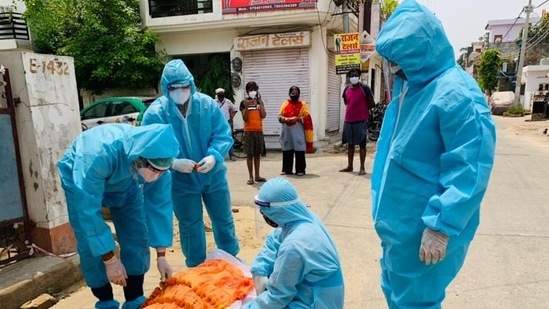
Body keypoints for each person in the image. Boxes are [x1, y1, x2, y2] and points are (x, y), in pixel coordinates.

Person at [372, 1, 496, 308]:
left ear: (420, 49)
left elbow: (470, 167)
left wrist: (441, 225)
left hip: (425, 227)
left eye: (400, 58)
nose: (395, 66)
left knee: (417, 302)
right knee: (398, 293)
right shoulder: (412, 87)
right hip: (399, 227)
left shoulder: (457, 95)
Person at [57, 123, 180, 309]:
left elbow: (159, 206)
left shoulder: (157, 162)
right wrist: (110, 260)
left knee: (136, 233)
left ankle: (134, 297)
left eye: (163, 170)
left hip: (127, 185)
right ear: (139, 159)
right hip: (82, 181)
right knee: (88, 238)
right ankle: (104, 299)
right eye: (155, 169)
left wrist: (161, 256)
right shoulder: (97, 155)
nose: (158, 175)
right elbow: (88, 212)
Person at [142, 59, 240, 268]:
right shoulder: (155, 114)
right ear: (165, 87)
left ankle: (230, 261)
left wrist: (214, 155)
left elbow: (222, 134)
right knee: (189, 225)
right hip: (180, 180)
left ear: (191, 84)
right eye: (174, 88)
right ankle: (196, 266)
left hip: (213, 176)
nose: (180, 91)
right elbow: (149, 148)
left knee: (223, 218)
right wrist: (172, 163)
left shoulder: (207, 105)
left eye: (184, 86)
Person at [244, 177, 344, 308]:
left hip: (317, 301)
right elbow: (274, 240)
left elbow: (277, 297)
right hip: (317, 291)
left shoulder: (294, 247)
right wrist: (260, 268)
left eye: (266, 212)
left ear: (278, 212)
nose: (264, 216)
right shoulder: (301, 218)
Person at [340, 67, 375, 176]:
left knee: (362, 144)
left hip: (361, 120)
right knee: (350, 144)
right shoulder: (346, 89)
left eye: (355, 75)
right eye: (351, 76)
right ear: (349, 77)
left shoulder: (365, 88)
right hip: (348, 120)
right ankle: (350, 166)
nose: (353, 77)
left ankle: (362, 167)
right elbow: (346, 102)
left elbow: (372, 103)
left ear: (359, 77)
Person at [278, 86, 314, 176]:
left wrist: (297, 119)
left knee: (299, 149)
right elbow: (279, 116)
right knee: (287, 148)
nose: (294, 95)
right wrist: (284, 119)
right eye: (292, 93)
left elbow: (307, 117)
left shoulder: (303, 104)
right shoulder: (285, 103)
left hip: (297, 130)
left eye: (296, 93)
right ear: (289, 94)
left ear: (299, 94)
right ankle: (286, 169)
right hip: (287, 130)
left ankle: (300, 169)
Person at [239, 81, 267, 185]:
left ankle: (257, 175)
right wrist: (246, 107)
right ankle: (250, 177)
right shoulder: (243, 103)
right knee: (249, 155)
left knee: (257, 154)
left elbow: (263, 115)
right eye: (251, 89)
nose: (253, 91)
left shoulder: (259, 102)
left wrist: (260, 102)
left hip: (258, 131)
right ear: (247, 91)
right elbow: (245, 118)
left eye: (255, 89)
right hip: (249, 131)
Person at [216, 87, 239, 161]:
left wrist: (232, 116)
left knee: (229, 138)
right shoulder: (213, 102)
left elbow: (235, 109)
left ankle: (231, 154)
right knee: (218, 139)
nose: (221, 98)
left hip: (227, 122)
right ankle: (219, 155)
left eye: (222, 96)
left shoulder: (228, 102)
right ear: (217, 95)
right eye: (219, 96)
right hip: (218, 123)